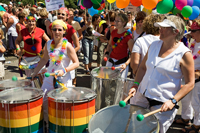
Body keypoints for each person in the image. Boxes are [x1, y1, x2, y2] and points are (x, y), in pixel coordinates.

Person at [129, 15, 195, 133]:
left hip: (163, 104)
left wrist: (173, 101)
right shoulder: (154, 45)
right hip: (142, 97)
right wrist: (135, 84)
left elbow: (190, 83)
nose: (160, 29)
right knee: (135, 128)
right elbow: (143, 68)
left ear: (176, 32)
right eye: (160, 27)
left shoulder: (184, 54)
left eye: (164, 27)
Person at [31, 20, 79, 130]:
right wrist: (35, 72)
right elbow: (44, 59)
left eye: (59, 30)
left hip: (63, 80)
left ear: (64, 32)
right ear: (51, 31)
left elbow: (76, 63)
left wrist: (65, 69)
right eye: (54, 29)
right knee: (43, 103)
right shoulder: (48, 44)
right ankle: (47, 126)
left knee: (62, 106)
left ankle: (62, 128)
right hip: (49, 78)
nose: (57, 32)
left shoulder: (68, 46)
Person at [180, 20, 200, 133]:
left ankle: (197, 125)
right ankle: (186, 118)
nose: (191, 33)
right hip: (189, 76)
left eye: (194, 31)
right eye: (191, 30)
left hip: (198, 78)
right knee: (186, 100)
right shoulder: (194, 43)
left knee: (196, 102)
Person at [104, 13, 134, 78]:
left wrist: (126, 64)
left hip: (121, 64)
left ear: (124, 23)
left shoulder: (128, 36)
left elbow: (133, 53)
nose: (115, 23)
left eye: (118, 21)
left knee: (120, 86)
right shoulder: (113, 32)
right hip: (111, 62)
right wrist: (106, 53)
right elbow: (109, 45)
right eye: (115, 20)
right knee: (107, 83)